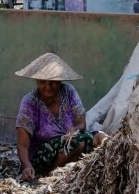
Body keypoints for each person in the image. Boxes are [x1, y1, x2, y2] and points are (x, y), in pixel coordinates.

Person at [15, 53, 107, 181]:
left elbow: (81, 123)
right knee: (77, 144)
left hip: (71, 144)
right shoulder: (29, 102)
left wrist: (75, 129)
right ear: (36, 81)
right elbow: (22, 144)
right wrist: (26, 166)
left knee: (101, 138)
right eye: (43, 82)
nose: (48, 86)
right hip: (43, 156)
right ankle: (51, 175)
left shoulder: (69, 92)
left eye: (53, 82)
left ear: (60, 81)